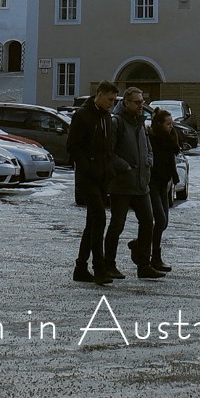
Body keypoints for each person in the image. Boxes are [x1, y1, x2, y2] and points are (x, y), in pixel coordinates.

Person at [104, 87, 161, 280]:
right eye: (137, 102)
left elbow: (148, 147)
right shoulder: (116, 122)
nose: (140, 106)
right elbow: (109, 152)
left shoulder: (140, 123)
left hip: (141, 182)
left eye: (142, 102)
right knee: (117, 225)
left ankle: (144, 264)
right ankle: (108, 264)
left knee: (148, 222)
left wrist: (149, 161)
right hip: (121, 184)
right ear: (126, 103)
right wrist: (124, 166)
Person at [67, 82, 119, 284]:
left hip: (103, 177)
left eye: (114, 100)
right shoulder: (82, 116)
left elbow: (108, 147)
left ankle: (81, 267)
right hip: (88, 178)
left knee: (93, 223)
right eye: (110, 100)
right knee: (99, 219)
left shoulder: (106, 116)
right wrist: (87, 166)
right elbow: (73, 146)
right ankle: (99, 268)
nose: (112, 104)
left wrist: (110, 168)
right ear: (99, 95)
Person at [146, 107, 181, 275]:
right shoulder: (152, 138)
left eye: (172, 123)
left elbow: (173, 156)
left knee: (164, 221)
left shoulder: (170, 138)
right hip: (152, 182)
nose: (171, 127)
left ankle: (140, 244)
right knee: (159, 219)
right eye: (168, 124)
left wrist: (172, 180)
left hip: (164, 183)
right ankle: (154, 257)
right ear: (159, 124)